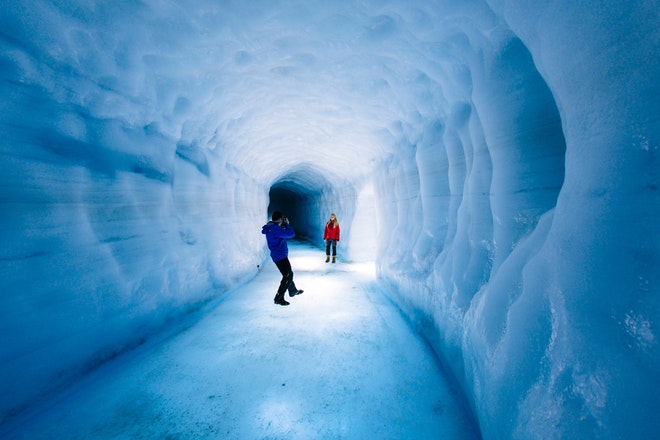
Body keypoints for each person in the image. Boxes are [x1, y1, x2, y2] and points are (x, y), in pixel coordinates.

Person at [261, 211, 303, 306]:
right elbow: (291, 234)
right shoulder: (275, 229)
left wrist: (282, 225)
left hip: (279, 255)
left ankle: (292, 291)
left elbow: (280, 233)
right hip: (280, 256)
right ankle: (278, 298)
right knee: (288, 275)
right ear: (280, 219)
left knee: (287, 274)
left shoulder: (272, 227)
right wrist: (287, 225)